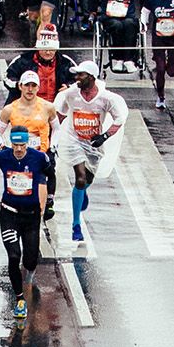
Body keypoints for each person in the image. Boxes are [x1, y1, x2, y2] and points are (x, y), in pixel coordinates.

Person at [0, 126, 51, 323]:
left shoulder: (38, 158)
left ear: (27, 144)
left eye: (22, 145)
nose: (18, 149)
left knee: (30, 260)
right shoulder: (2, 157)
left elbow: (52, 176)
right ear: (10, 143)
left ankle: (29, 279)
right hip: (9, 214)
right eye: (15, 145)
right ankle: (19, 299)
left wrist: (50, 201)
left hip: (31, 216)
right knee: (14, 255)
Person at [50, 59, 125, 242]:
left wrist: (104, 137)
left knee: (87, 179)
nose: (77, 78)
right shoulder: (71, 94)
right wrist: (53, 135)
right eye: (76, 75)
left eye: (81, 75)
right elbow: (60, 114)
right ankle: (76, 225)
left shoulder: (106, 98)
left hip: (93, 143)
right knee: (80, 177)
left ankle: (81, 191)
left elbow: (118, 119)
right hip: (73, 140)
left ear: (91, 77)